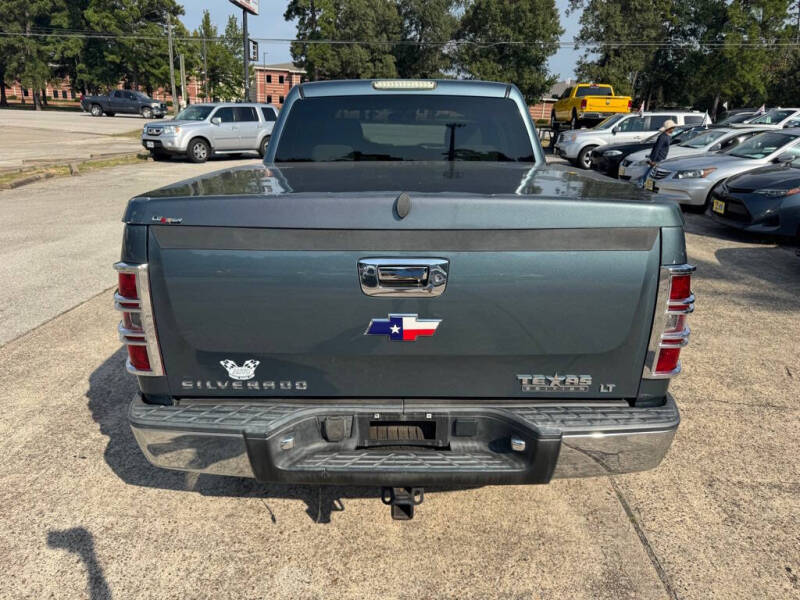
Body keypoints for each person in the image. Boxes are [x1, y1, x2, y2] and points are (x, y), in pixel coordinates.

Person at [639, 119, 677, 188]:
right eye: (673, 128)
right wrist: (652, 160)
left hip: (661, 159)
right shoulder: (663, 137)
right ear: (669, 128)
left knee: (652, 174)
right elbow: (657, 148)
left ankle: (645, 185)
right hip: (657, 159)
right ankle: (642, 184)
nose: (674, 129)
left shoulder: (667, 136)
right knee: (650, 174)